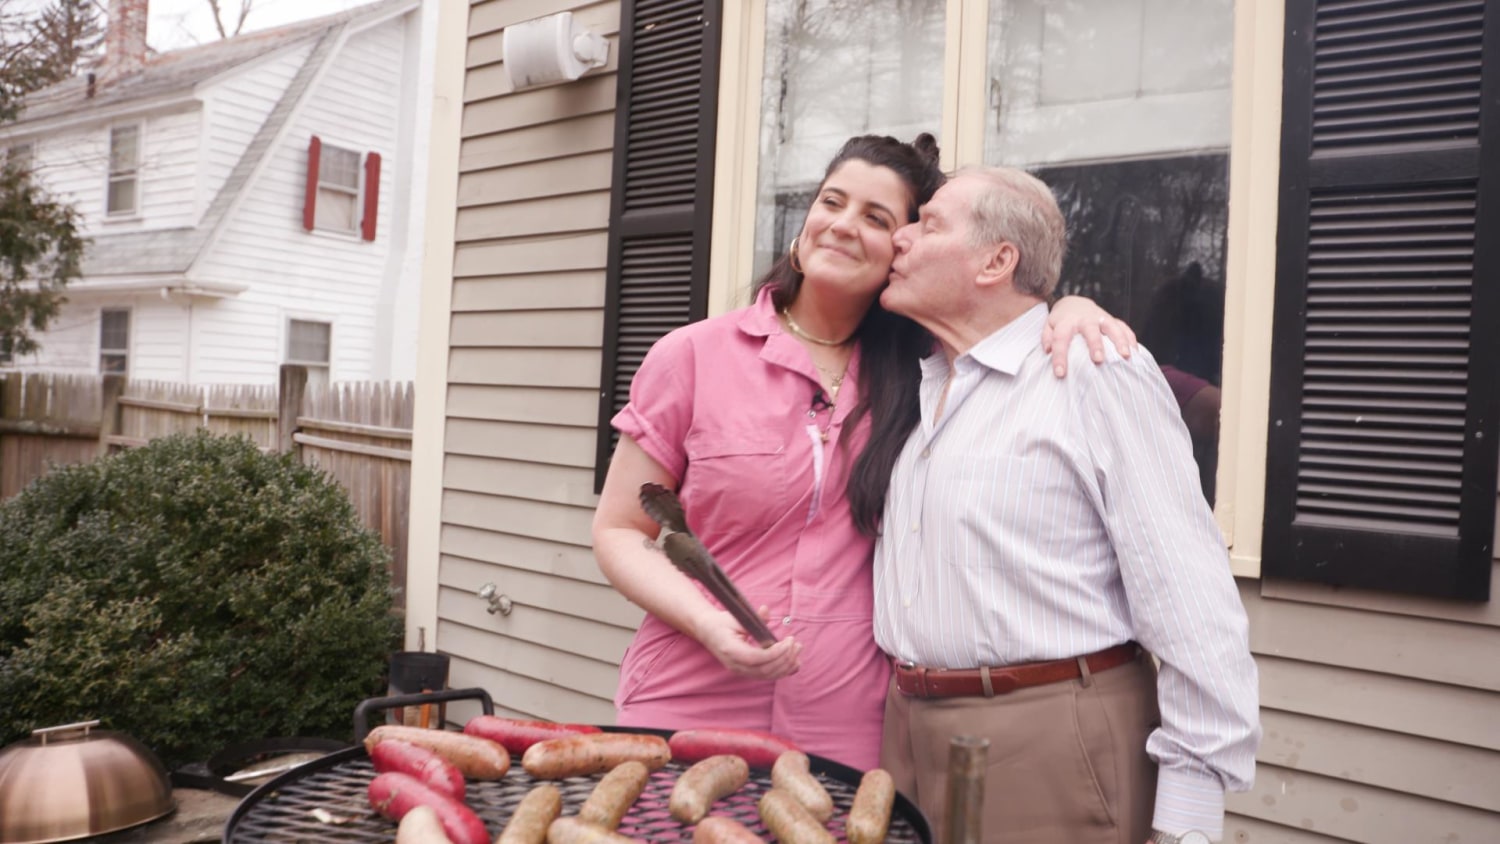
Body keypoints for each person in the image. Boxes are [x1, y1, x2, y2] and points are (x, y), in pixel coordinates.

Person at [590, 135, 1135, 771]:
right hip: (687, 695)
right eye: (832, 202)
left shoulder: (929, 376)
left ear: (903, 250)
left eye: (877, 218)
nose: (843, 226)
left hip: (848, 721)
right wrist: (709, 623)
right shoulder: (691, 356)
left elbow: (1008, 330)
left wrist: (1070, 306)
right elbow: (620, 529)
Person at [873, 166, 1259, 844]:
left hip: (1049, 736)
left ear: (998, 260)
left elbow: (1188, 591)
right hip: (908, 734)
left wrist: (1190, 816)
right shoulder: (926, 383)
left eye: (929, 223)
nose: (899, 238)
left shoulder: (1094, 369)